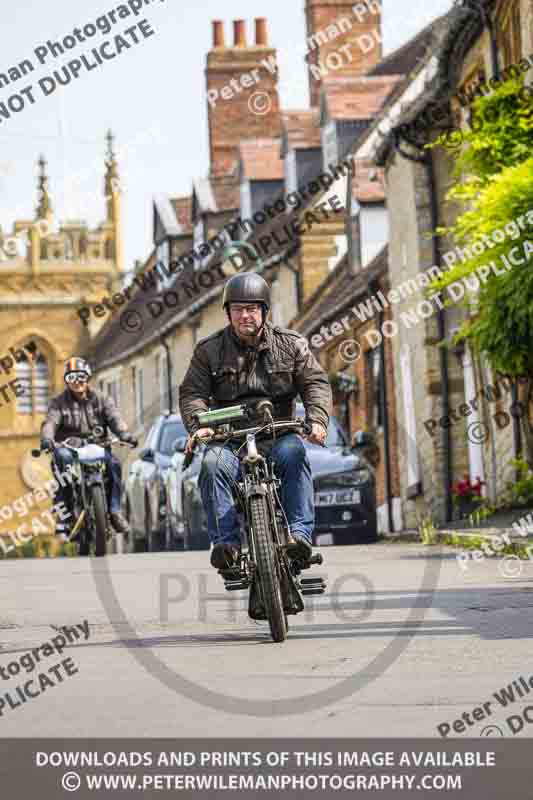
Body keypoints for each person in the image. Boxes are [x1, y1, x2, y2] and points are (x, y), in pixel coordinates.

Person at [179, 272, 332, 571]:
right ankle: (226, 544)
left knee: (294, 454)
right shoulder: (208, 351)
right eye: (238, 309)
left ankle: (299, 536)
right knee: (211, 466)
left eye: (252, 308)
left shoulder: (291, 344)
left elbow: (315, 383)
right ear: (228, 313)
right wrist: (200, 426)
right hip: (230, 438)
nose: (245, 315)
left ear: (264, 311)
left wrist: (317, 420)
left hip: (278, 432)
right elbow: (192, 394)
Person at [41, 357, 137, 540]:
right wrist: (47, 438)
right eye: (71, 378)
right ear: (66, 381)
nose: (77, 382)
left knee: (114, 464)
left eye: (81, 377)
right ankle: (65, 512)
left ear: (88, 378)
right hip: (68, 448)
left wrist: (124, 434)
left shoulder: (102, 399)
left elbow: (115, 418)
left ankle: (115, 511)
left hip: (98, 445)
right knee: (62, 459)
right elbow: (50, 422)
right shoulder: (58, 402)